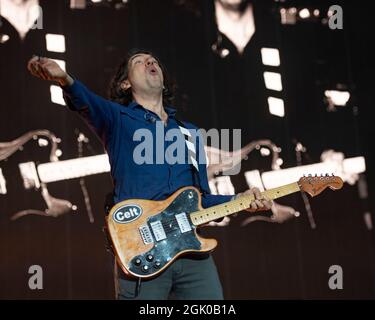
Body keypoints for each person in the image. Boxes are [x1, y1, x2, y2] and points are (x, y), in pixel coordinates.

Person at [27, 49, 273, 300]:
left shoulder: (190, 134)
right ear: (125, 83)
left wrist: (242, 201)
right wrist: (64, 79)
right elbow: (85, 101)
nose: (150, 62)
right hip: (141, 249)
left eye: (153, 60)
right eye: (139, 62)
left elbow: (201, 199)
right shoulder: (118, 119)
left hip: (191, 254)